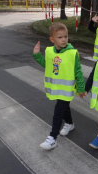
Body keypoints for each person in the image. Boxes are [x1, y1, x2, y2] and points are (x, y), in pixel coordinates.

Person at [33, 22, 85, 150]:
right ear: (52, 39)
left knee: (58, 112)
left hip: (66, 90)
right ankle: (69, 123)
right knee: (64, 108)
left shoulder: (72, 53)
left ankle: (52, 138)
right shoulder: (50, 51)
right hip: (57, 88)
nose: (64, 40)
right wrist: (37, 55)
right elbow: (48, 66)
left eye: (65, 37)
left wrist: (81, 89)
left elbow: (78, 72)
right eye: (60, 37)